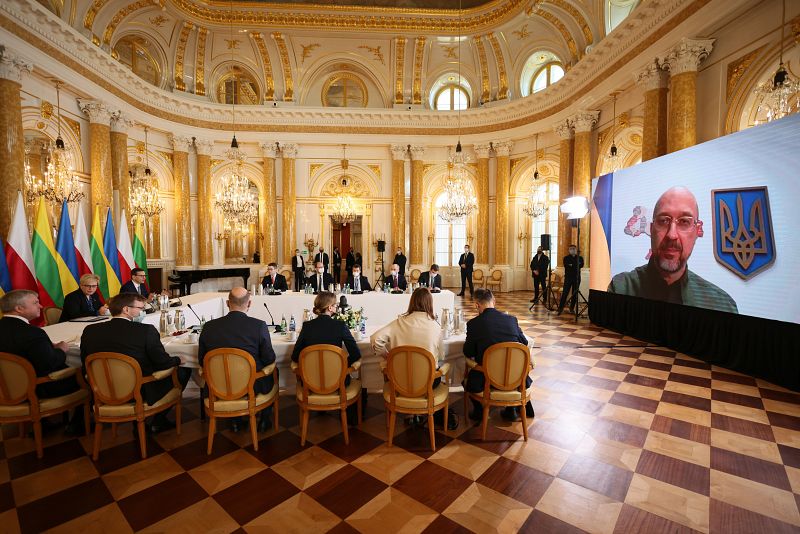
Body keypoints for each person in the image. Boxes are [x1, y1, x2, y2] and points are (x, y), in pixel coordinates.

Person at [608, 186, 738, 313]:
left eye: (684, 222)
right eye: (664, 221)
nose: (672, 235)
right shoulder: (621, 289)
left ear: (697, 231)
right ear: (652, 230)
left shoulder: (721, 306)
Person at [80, 293, 190, 434]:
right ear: (126, 309)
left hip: (102, 391)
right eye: (140, 308)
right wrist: (178, 360)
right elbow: (162, 363)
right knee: (183, 371)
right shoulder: (145, 331)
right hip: (138, 392)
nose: (142, 312)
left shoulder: (90, 331)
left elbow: (85, 364)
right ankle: (158, 421)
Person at [371, 288, 457, 430]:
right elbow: (441, 356)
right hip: (427, 383)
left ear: (412, 302)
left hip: (399, 381)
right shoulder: (435, 326)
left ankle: (408, 414)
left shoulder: (398, 322)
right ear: (430, 303)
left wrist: (387, 355)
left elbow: (375, 339)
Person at [0, 290, 84, 434]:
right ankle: (78, 424)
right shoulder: (32, 333)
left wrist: (47, 348)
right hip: (38, 388)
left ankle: (43, 423)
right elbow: (50, 364)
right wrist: (61, 349)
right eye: (35, 303)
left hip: (6, 388)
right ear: (19, 308)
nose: (40, 306)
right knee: (86, 374)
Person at [198, 287, 276, 432]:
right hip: (251, 386)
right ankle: (264, 419)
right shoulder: (258, 326)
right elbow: (269, 358)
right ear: (249, 304)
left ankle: (235, 421)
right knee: (273, 370)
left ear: (228, 303)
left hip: (218, 386)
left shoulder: (209, 327)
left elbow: (202, 360)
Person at [464, 288, 533, 422]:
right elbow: (524, 343)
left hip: (487, 379)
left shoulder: (473, 324)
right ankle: (511, 408)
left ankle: (479, 411)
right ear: (494, 301)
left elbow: (468, 352)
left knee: (467, 380)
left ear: (476, 305)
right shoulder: (512, 320)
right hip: (515, 378)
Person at [291, 292, 361, 423]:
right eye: (335, 305)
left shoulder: (307, 327)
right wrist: (343, 365)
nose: (337, 307)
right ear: (330, 307)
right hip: (337, 383)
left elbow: (295, 356)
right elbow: (356, 354)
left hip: (310, 383)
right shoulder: (340, 326)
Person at [557, 245, 584, 315]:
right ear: (569, 250)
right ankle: (560, 307)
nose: (573, 250)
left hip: (577, 278)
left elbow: (581, 265)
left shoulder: (580, 258)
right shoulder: (566, 258)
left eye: (574, 249)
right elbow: (567, 266)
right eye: (571, 249)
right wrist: (575, 265)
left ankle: (572, 308)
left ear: (576, 249)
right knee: (565, 292)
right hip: (568, 278)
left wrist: (572, 265)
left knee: (574, 293)